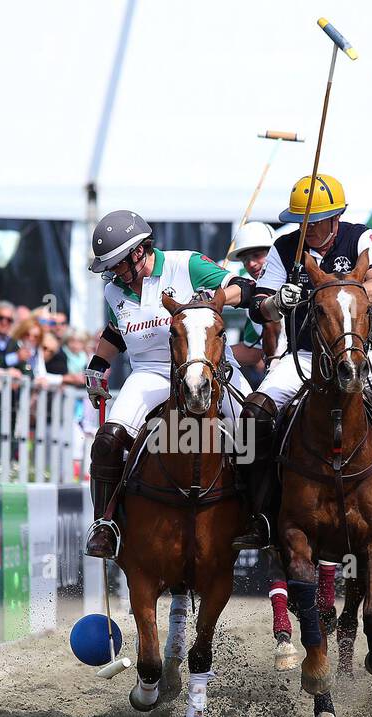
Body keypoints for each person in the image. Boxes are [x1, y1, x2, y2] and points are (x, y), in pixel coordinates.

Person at [231, 176, 372, 551]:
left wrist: (331, 294)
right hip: (304, 355)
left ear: (336, 217)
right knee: (253, 415)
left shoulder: (362, 238)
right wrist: (279, 302)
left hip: (363, 351)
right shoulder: (284, 248)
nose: (310, 229)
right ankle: (259, 512)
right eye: (304, 221)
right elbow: (261, 307)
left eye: (318, 221)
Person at [82, 209, 254, 558]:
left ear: (138, 251)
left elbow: (243, 287)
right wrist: (98, 367)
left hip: (211, 368)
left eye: (117, 263)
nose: (114, 273)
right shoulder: (114, 292)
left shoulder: (185, 264)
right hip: (151, 372)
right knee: (108, 440)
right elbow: (116, 332)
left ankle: (260, 516)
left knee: (255, 429)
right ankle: (106, 524)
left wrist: (214, 300)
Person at [229, 221, 277, 383]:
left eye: (257, 256)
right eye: (245, 260)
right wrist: (206, 353)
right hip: (278, 376)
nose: (251, 264)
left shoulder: (300, 282)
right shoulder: (254, 300)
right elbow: (253, 352)